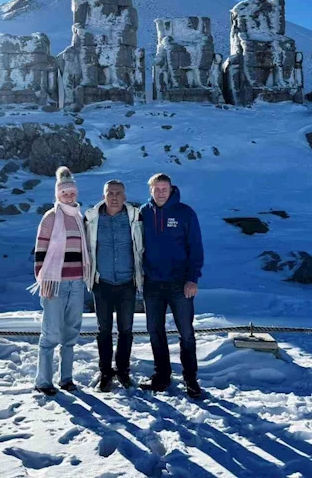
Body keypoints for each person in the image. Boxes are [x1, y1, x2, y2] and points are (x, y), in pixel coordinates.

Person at [138, 173, 204, 398]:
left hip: (180, 284)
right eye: (156, 189)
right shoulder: (143, 213)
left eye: (164, 189)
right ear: (150, 190)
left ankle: (191, 379)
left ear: (171, 189)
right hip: (152, 284)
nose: (160, 193)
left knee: (186, 332)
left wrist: (192, 278)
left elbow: (195, 247)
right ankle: (161, 376)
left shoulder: (185, 213)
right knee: (155, 331)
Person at [29, 166, 92, 396]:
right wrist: (43, 278)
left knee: (71, 333)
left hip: (76, 283)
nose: (69, 196)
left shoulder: (79, 217)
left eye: (72, 192)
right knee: (51, 333)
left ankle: (67, 378)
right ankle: (43, 380)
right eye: (64, 193)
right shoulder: (51, 217)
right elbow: (40, 251)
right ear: (57, 194)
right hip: (54, 283)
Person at [84, 180, 143, 392]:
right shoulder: (91, 218)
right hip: (103, 283)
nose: (115, 197)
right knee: (104, 330)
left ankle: (123, 370)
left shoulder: (135, 217)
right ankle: (106, 371)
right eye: (110, 193)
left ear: (125, 196)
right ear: (104, 196)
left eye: (119, 193)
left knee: (126, 329)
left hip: (127, 282)